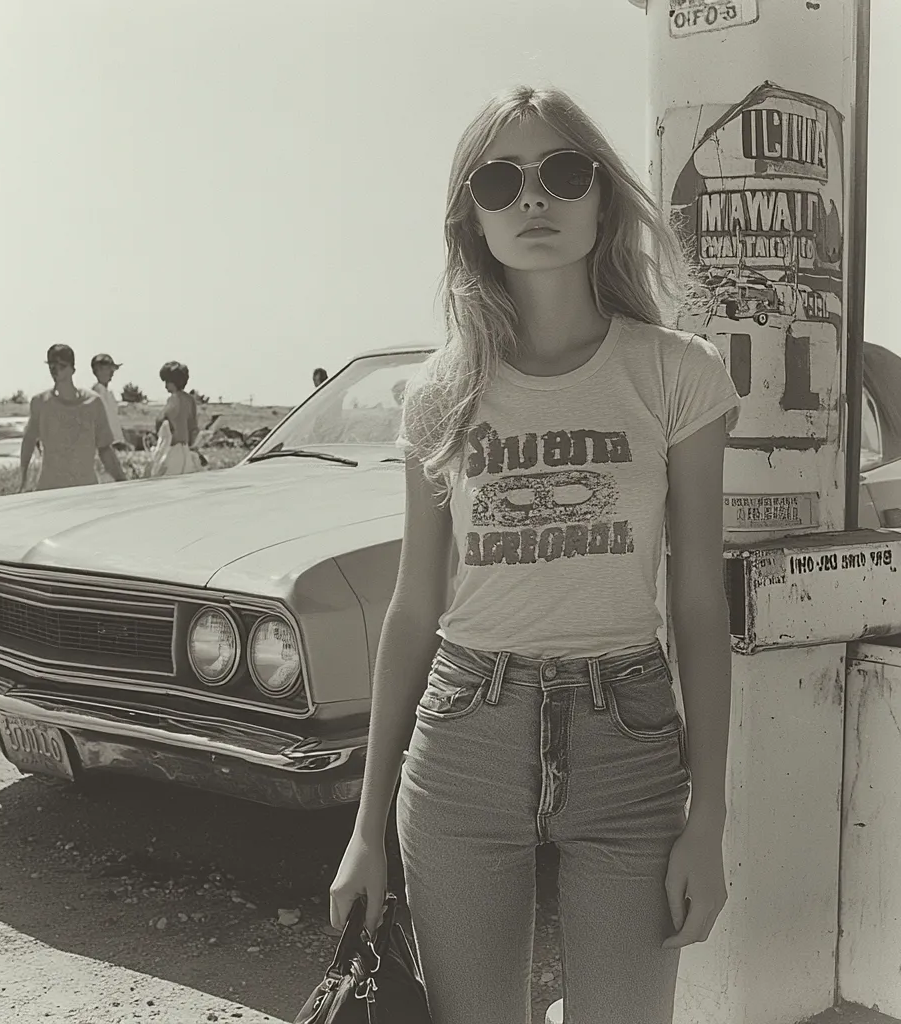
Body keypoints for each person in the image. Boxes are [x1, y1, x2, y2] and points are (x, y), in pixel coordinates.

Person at [329, 85, 741, 1024]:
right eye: (498, 180)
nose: (533, 199)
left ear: (603, 197)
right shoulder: (441, 392)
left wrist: (709, 817)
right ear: (470, 217)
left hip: (627, 737)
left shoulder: (677, 374)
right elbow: (412, 608)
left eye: (562, 171)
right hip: (466, 737)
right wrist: (364, 829)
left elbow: (699, 608)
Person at [20, 343, 126, 491]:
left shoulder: (93, 402)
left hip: (84, 490)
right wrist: (22, 479)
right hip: (50, 490)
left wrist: (123, 481)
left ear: (72, 369)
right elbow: (29, 440)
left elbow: (105, 448)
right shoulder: (41, 403)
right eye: (52, 365)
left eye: (61, 365)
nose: (56, 370)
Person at [147, 361, 201, 477]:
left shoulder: (173, 400)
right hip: (185, 450)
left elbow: (162, 422)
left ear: (175, 381)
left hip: (172, 450)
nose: (165, 386)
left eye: (167, 382)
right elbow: (193, 428)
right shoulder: (190, 400)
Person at [89, 352, 126, 447]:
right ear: (97, 371)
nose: (112, 372)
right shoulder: (97, 392)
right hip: (107, 445)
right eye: (108, 369)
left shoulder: (109, 394)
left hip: (115, 442)